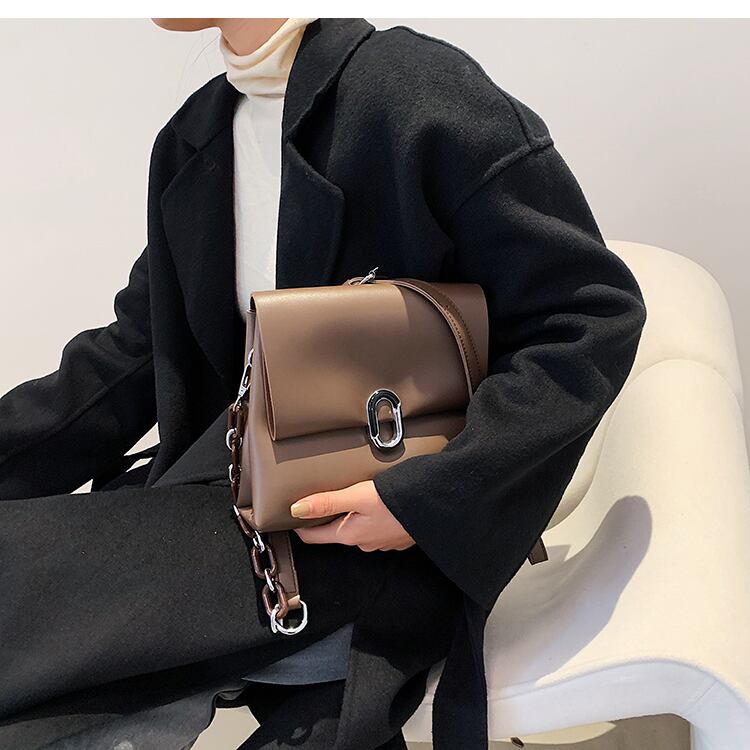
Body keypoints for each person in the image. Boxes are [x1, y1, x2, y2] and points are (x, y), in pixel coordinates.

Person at [0, 17, 647, 750]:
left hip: (380, 543)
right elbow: (132, 358)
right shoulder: (197, 138)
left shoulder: (414, 93)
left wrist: (425, 498)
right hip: (233, 509)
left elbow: (588, 314)